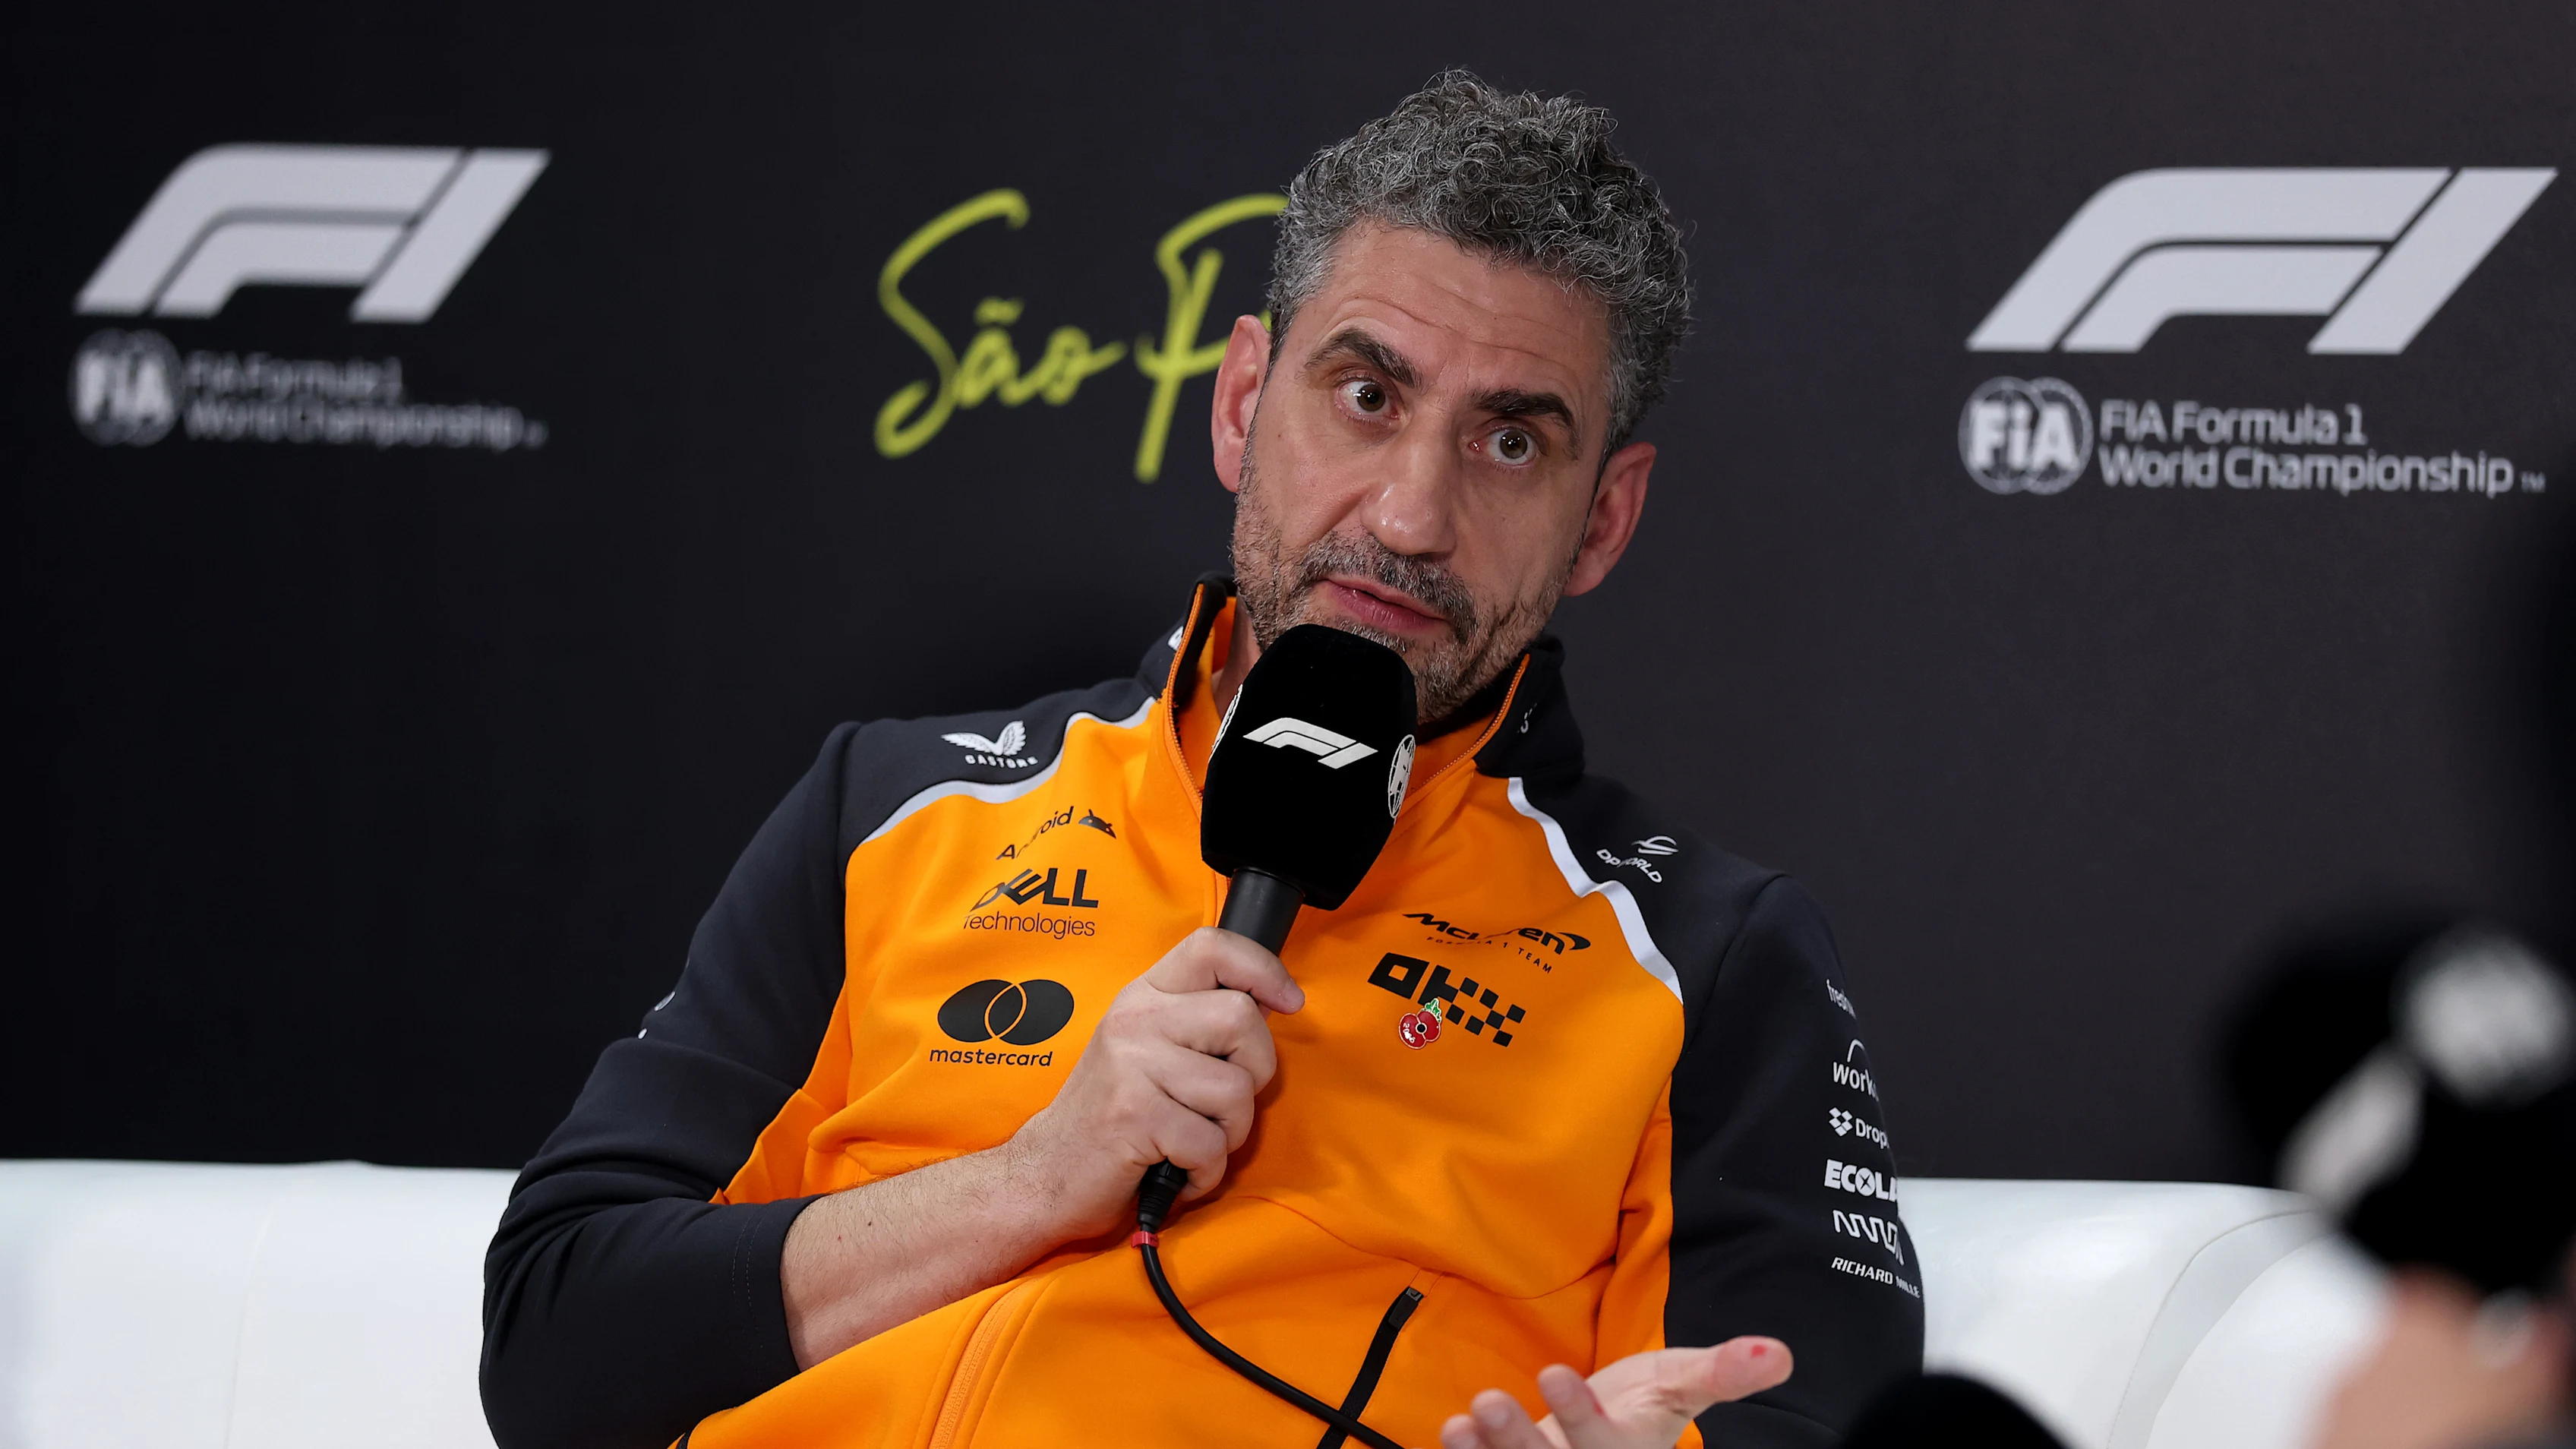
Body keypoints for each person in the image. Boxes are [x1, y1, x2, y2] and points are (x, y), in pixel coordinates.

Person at [481, 71, 1921, 1449]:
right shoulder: (895, 807)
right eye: (1367, 396)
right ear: (1242, 403)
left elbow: (1794, 1411)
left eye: (1507, 444)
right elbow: (553, 1350)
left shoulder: (1705, 961)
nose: (1411, 513)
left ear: (1603, 520)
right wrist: (1035, 1180)